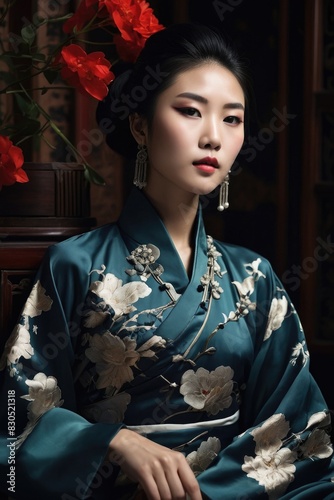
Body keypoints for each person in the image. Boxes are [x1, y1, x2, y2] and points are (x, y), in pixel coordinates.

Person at [0, 22, 333, 500]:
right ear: (140, 124)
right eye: (190, 111)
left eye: (232, 119)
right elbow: (13, 429)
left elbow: (303, 436)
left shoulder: (255, 280)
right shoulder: (73, 266)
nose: (213, 137)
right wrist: (109, 439)